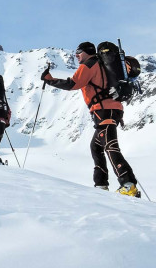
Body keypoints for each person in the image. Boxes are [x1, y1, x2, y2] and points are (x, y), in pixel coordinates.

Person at [40, 41, 139, 197]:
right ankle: (101, 185)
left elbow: (73, 84)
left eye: (78, 52)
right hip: (113, 109)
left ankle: (128, 184)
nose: (76, 55)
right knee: (96, 147)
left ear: (86, 51)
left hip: (103, 110)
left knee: (110, 146)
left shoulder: (90, 64)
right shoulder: (102, 65)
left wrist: (49, 80)